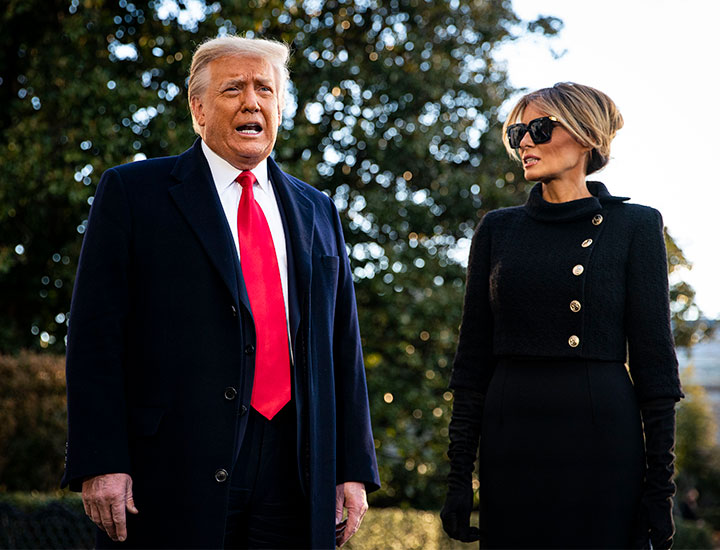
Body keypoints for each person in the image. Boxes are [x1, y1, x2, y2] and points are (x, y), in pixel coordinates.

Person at [61, 35, 380, 549]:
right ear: (198, 108)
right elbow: (96, 337)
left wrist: (352, 468)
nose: (252, 101)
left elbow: (345, 346)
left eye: (265, 90)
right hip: (170, 467)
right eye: (233, 88)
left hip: (296, 468)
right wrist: (101, 460)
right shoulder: (132, 193)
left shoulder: (319, 210)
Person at [440, 82, 682, 549]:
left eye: (539, 128)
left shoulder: (635, 226)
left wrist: (661, 490)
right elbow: (470, 365)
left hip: (600, 437)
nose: (525, 142)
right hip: (512, 436)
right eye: (517, 134)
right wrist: (457, 478)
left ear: (587, 136)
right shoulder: (498, 229)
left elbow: (655, 369)